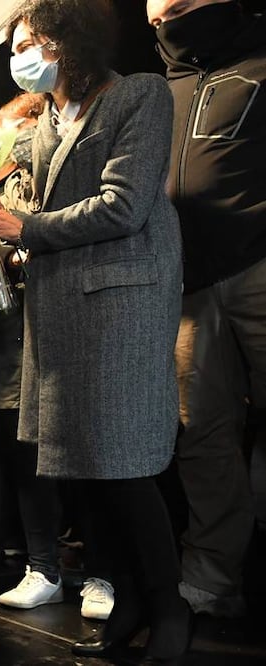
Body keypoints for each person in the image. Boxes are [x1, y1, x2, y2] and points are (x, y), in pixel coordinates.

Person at [0, 0, 189, 661]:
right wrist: (18, 241)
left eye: (29, 41)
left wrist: (29, 231)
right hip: (60, 307)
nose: (20, 56)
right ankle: (125, 598)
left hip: (120, 305)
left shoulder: (138, 95)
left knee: (123, 465)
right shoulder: (44, 122)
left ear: (65, 41)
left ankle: (169, 607)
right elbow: (46, 213)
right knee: (81, 469)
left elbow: (125, 205)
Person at [146, 0, 265, 619]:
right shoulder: (158, 88)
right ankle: (214, 577)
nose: (166, 6)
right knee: (201, 434)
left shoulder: (258, 59)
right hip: (188, 284)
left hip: (258, 268)